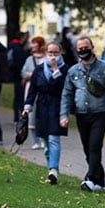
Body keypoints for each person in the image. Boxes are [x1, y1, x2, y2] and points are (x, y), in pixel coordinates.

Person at [60, 36, 105, 191]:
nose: (83, 50)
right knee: (87, 148)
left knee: (95, 146)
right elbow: (67, 93)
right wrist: (64, 114)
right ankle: (100, 181)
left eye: (85, 47)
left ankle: (89, 178)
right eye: (80, 48)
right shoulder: (73, 70)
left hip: (100, 112)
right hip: (81, 114)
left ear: (92, 47)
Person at [23, 42, 69, 184]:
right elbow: (33, 90)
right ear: (45, 53)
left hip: (57, 107)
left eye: (56, 53)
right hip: (42, 108)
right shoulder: (39, 70)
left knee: (54, 138)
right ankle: (51, 168)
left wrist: (55, 70)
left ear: (61, 53)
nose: (52, 56)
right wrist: (27, 106)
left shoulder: (65, 69)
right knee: (45, 141)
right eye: (50, 53)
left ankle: (54, 169)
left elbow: (62, 88)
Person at [21, 36, 46, 150]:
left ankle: (43, 139)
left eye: (35, 43)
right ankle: (34, 140)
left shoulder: (46, 59)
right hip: (31, 87)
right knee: (31, 113)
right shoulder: (29, 59)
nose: (32, 46)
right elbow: (23, 72)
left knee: (42, 114)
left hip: (44, 89)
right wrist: (29, 74)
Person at [8, 31, 30, 123]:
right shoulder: (19, 49)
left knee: (17, 96)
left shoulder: (12, 47)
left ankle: (16, 116)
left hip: (15, 74)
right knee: (21, 96)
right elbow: (20, 64)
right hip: (19, 75)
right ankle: (21, 115)